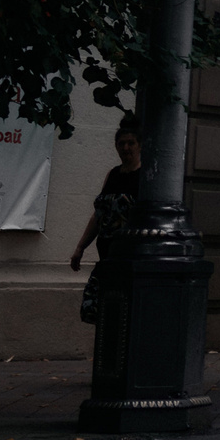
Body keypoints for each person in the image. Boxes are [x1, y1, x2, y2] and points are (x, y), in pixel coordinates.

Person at [67, 117, 143, 324]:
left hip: (131, 258)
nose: (126, 148)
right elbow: (99, 214)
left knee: (126, 315)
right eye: (121, 143)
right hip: (107, 256)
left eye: (131, 143)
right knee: (99, 311)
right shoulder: (112, 174)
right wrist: (80, 247)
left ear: (139, 145)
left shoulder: (145, 177)